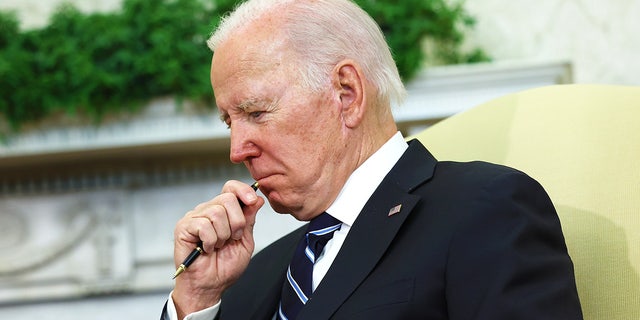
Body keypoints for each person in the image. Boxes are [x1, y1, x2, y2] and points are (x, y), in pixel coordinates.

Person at [162, 0, 583, 319]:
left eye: (256, 113)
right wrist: (197, 298)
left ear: (347, 93)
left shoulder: (485, 210)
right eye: (229, 122)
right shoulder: (248, 279)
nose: (237, 150)